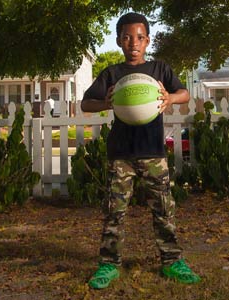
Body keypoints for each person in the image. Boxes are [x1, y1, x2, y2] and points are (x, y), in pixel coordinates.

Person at [81, 12, 200, 289]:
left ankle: (172, 261)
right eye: (126, 37)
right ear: (119, 41)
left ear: (147, 40)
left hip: (153, 154)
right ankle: (108, 265)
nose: (133, 42)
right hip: (120, 155)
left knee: (163, 210)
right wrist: (106, 103)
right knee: (114, 211)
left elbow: (184, 94)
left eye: (139, 37)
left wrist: (170, 97)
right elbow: (86, 103)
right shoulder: (112, 74)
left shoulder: (159, 70)